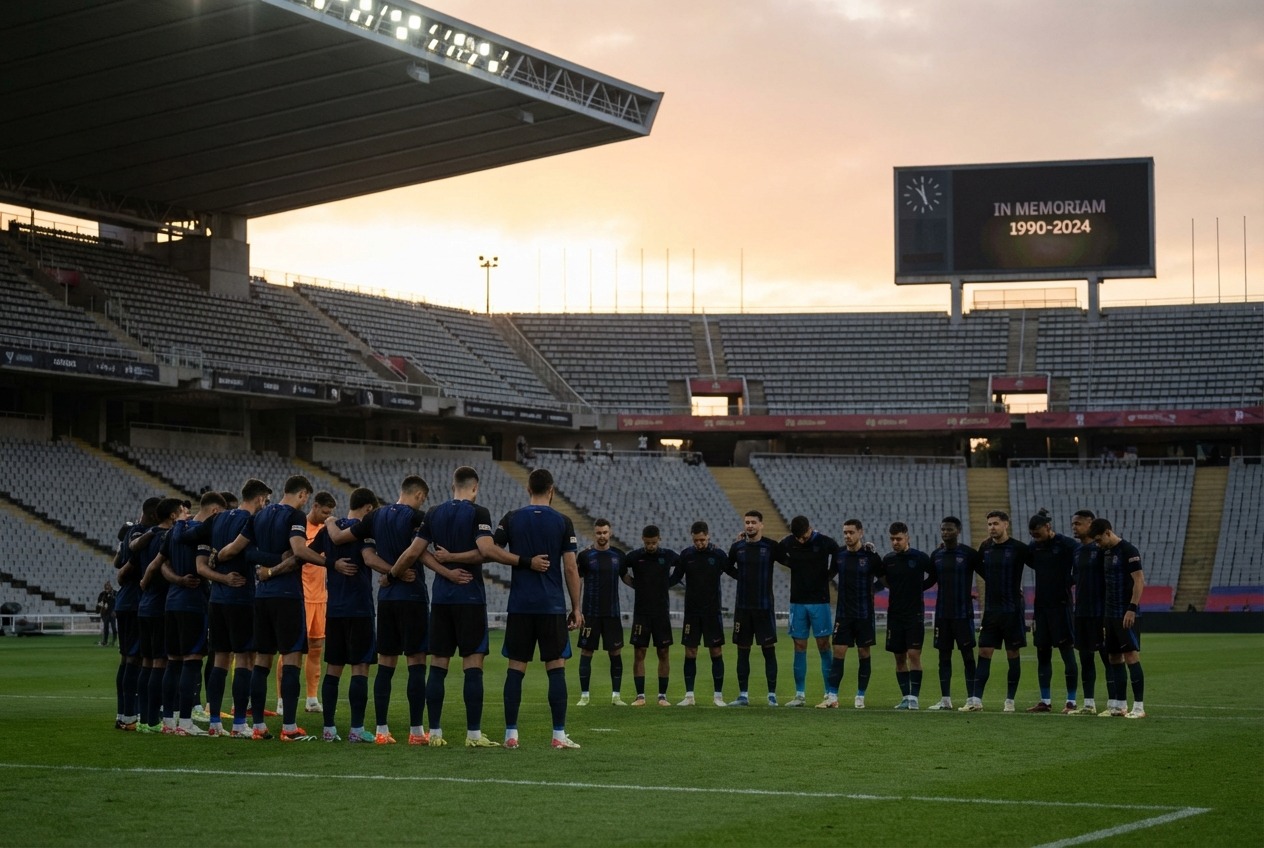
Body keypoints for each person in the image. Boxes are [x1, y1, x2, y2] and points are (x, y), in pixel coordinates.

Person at [395, 466, 524, 748]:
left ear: (453, 486)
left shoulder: (433, 512)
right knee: (472, 664)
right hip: (469, 598)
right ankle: (473, 735)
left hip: (441, 598)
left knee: (438, 664)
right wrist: (520, 561)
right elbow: (487, 550)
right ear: (475, 488)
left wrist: (442, 570)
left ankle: (436, 733)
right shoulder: (479, 513)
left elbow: (417, 552)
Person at [218, 475, 327, 741]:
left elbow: (240, 551)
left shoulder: (259, 517)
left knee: (262, 660)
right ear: (302, 495)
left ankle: (258, 727)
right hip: (287, 595)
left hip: (261, 597)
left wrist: (218, 556)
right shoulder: (294, 516)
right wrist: (328, 563)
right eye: (306, 498)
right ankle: (289, 728)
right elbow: (299, 552)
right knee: (291, 658)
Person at [326, 475, 430, 745]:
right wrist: (397, 573)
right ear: (419, 495)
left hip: (386, 599)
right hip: (413, 595)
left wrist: (327, 520)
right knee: (417, 663)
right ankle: (417, 731)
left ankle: (382, 730)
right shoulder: (417, 518)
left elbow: (339, 538)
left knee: (386, 664)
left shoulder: (375, 517)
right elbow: (418, 554)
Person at [493, 468, 583, 749]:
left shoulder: (511, 518)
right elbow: (570, 567)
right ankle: (558, 736)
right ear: (552, 490)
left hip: (520, 604)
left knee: (515, 668)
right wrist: (576, 607)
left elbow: (491, 550)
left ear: (529, 489)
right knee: (556, 668)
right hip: (551, 606)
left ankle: (510, 735)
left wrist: (523, 561)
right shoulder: (563, 521)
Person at [195, 478, 275, 738]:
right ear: (260, 498)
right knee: (245, 659)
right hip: (240, 597)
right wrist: (282, 558)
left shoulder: (219, 518)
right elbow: (249, 554)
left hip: (216, 599)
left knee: (220, 659)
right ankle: (240, 723)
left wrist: (215, 558)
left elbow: (197, 537)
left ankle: (215, 722)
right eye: (266, 500)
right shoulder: (249, 521)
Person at [310, 486, 378, 743]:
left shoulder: (330, 528)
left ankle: (328, 729)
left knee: (333, 668)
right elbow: (369, 559)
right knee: (360, 667)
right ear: (369, 508)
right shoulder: (363, 530)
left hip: (335, 607)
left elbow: (308, 553)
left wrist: (331, 564)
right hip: (359, 607)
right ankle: (357, 730)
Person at [160, 491, 225, 736]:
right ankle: (186, 722)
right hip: (193, 604)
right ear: (215, 512)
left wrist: (176, 579)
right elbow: (203, 567)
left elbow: (161, 563)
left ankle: (168, 720)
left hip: (171, 604)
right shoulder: (202, 533)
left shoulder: (174, 531)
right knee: (191, 662)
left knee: (173, 662)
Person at [962, 510, 1030, 713]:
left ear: (1006, 525)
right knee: (984, 652)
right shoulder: (985, 547)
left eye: (995, 524)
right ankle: (976, 700)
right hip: (991, 610)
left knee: (1012, 653)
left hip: (1012, 611)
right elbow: (976, 565)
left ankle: (1010, 701)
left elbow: (1038, 562)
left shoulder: (1018, 548)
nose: (992, 527)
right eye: (989, 524)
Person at [724, 510, 787, 707]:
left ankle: (772, 696)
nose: (749, 525)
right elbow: (727, 566)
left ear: (761, 525)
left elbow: (790, 560)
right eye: (747, 522)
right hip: (743, 608)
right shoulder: (737, 547)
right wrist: (742, 577)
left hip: (764, 607)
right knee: (743, 651)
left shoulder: (770, 546)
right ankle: (743, 695)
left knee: (769, 651)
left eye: (753, 522)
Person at [819, 519, 882, 709]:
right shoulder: (839, 555)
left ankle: (860, 696)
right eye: (845, 532)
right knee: (838, 653)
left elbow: (885, 580)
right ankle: (832, 697)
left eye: (851, 532)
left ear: (860, 533)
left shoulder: (871, 556)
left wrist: (872, 589)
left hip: (864, 614)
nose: (847, 536)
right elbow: (829, 575)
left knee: (864, 653)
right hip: (844, 614)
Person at [779, 515, 839, 707]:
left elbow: (839, 555)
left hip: (820, 601)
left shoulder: (824, 542)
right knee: (799, 646)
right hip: (797, 601)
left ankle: (829, 693)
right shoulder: (789, 542)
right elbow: (777, 552)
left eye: (804, 537)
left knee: (824, 645)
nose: (801, 541)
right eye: (798, 538)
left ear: (809, 529)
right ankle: (799, 695)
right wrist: (791, 564)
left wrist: (829, 575)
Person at [1090, 518, 1147, 719]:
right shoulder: (1104, 552)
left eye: (1099, 539)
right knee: (1113, 657)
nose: (1098, 544)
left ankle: (1138, 707)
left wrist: (1132, 608)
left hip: (1126, 613)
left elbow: (1139, 581)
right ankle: (1119, 706)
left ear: (1108, 532)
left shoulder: (1128, 550)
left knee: (1131, 656)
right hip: (1109, 613)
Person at [113, 496, 161, 732]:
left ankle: (128, 713)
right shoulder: (139, 533)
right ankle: (129, 715)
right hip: (134, 603)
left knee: (133, 659)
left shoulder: (135, 533)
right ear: (153, 515)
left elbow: (118, 565)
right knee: (134, 659)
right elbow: (123, 566)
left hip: (131, 602)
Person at [136, 498, 183, 733]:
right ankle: (155, 720)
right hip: (160, 605)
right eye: (182, 512)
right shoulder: (168, 537)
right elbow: (159, 566)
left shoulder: (148, 537)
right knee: (160, 662)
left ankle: (144, 718)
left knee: (146, 663)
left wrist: (143, 582)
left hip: (145, 604)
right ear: (173, 516)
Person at [1026, 509, 1079, 714]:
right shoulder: (1034, 547)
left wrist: (1070, 581)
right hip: (1041, 608)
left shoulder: (1066, 545)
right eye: (1032, 535)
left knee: (1067, 654)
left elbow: (1082, 562)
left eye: (1037, 534)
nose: (1035, 538)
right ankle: (1045, 701)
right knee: (1042, 654)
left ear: (1048, 527)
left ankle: (1071, 701)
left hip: (1062, 606)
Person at [669, 521, 728, 706]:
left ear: (708, 536)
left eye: (702, 540)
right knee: (690, 651)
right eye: (696, 540)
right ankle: (689, 695)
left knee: (716, 651)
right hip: (692, 612)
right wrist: (655, 585)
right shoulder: (687, 555)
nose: (699, 543)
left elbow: (733, 571)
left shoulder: (718, 554)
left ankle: (718, 696)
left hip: (712, 611)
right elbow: (675, 578)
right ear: (692, 537)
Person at [621, 525, 679, 706]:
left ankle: (662, 696)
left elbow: (683, 565)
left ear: (659, 540)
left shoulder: (668, 555)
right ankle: (640, 696)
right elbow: (621, 568)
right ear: (642, 540)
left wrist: (668, 583)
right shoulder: (635, 556)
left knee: (663, 652)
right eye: (647, 543)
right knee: (639, 652)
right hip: (641, 613)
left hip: (661, 612)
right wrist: (633, 584)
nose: (650, 546)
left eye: (653, 543)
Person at [880, 522, 934, 710]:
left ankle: (915, 698)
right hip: (895, 614)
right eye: (892, 539)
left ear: (907, 537)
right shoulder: (888, 559)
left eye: (899, 539)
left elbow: (934, 575)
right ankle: (905, 697)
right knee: (899, 657)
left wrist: (920, 588)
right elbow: (882, 579)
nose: (895, 542)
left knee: (914, 655)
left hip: (914, 614)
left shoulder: (919, 558)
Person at [926, 517, 979, 711]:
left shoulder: (968, 554)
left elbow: (986, 572)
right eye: (943, 529)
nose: (945, 532)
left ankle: (973, 699)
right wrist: (908, 588)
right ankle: (945, 699)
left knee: (968, 657)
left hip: (963, 614)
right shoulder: (936, 555)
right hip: (942, 614)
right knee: (943, 657)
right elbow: (930, 580)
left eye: (949, 529)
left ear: (958, 531)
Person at [574, 518, 628, 707]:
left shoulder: (619, 556)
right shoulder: (585, 556)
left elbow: (626, 578)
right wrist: (577, 609)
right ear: (594, 533)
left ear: (610, 532)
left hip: (612, 613)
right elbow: (577, 582)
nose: (602, 536)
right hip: (590, 613)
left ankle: (616, 696)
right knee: (586, 651)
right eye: (599, 533)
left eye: (605, 532)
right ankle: (585, 695)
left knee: (615, 652)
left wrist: (647, 586)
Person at [297, 491, 336, 715]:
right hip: (301, 596)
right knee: (292, 650)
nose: (326, 516)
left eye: (330, 513)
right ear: (314, 506)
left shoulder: (326, 531)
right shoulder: (298, 526)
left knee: (316, 649)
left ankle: (312, 697)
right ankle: (283, 699)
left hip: (320, 597)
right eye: (324, 512)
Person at [1068, 509, 1106, 715]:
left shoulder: (1101, 550)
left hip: (1100, 612)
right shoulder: (1076, 551)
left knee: (1108, 657)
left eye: (1078, 523)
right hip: (1081, 612)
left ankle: (1115, 703)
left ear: (1091, 524)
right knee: (1085, 658)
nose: (1074, 527)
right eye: (1073, 524)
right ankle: (1089, 703)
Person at [96, 582, 116, 647]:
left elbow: (118, 602)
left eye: (108, 586)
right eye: (106, 587)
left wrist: (115, 611)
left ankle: (114, 641)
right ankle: (105, 641)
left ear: (111, 587)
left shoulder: (115, 593)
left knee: (114, 628)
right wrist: (103, 604)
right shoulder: (102, 594)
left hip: (113, 613)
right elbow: (99, 604)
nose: (107, 588)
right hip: (105, 613)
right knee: (106, 627)